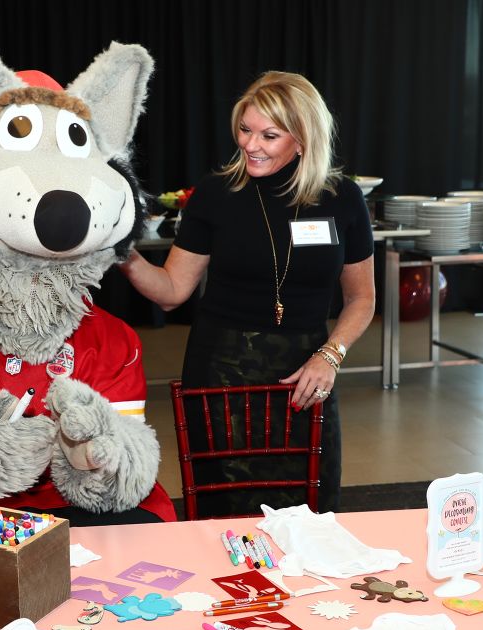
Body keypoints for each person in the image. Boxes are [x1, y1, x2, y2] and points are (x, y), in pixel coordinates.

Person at [121, 71, 375, 515]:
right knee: (225, 513)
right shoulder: (217, 194)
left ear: (302, 138)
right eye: (244, 129)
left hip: (305, 375)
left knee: (309, 510)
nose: (250, 144)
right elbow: (171, 292)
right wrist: (125, 255)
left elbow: (361, 298)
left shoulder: (342, 198)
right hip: (221, 374)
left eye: (268, 135)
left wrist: (330, 355)